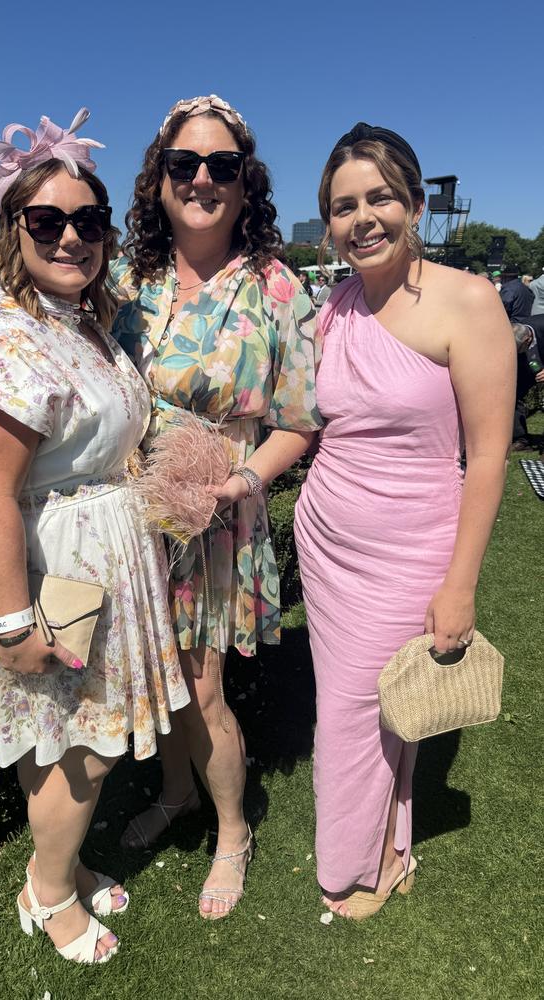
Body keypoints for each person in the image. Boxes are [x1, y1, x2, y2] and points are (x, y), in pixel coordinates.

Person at [0, 108, 190, 964]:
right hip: (56, 571)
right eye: (47, 220)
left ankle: (62, 866)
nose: (72, 237)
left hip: (101, 559)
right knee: (82, 750)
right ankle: (48, 895)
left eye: (90, 220)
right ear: (14, 228)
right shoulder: (3, 338)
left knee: (65, 745)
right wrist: (14, 624)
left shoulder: (79, 320)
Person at [294, 122, 514, 920]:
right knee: (375, 704)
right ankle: (387, 842)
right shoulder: (334, 309)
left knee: (360, 709)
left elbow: (488, 458)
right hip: (326, 540)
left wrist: (461, 586)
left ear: (415, 203)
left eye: (379, 197)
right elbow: (311, 423)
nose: (363, 218)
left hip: (412, 543)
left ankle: (351, 868)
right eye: (343, 205)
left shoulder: (470, 300)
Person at [111, 94, 322, 919]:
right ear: (158, 179)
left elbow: (300, 419)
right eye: (183, 164)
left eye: (221, 165)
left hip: (218, 514)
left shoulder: (276, 286)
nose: (202, 179)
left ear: (246, 181)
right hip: (136, 511)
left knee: (202, 689)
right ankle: (176, 792)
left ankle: (232, 828)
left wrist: (241, 481)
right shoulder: (129, 279)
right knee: (155, 679)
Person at [511, 316, 544, 449]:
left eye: (518, 349)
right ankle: (520, 439)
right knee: (513, 394)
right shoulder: (513, 330)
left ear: (527, 339)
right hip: (526, 366)